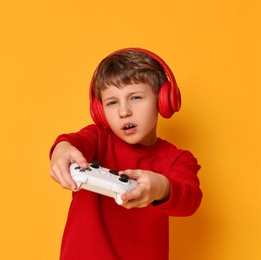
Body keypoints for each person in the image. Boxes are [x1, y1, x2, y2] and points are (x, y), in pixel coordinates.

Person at [49, 48, 203, 260]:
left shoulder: (178, 159)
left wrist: (161, 187)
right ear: (100, 111)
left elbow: (190, 200)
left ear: (163, 100)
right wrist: (61, 149)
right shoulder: (97, 139)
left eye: (136, 97)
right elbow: (72, 142)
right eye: (112, 102)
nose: (124, 111)